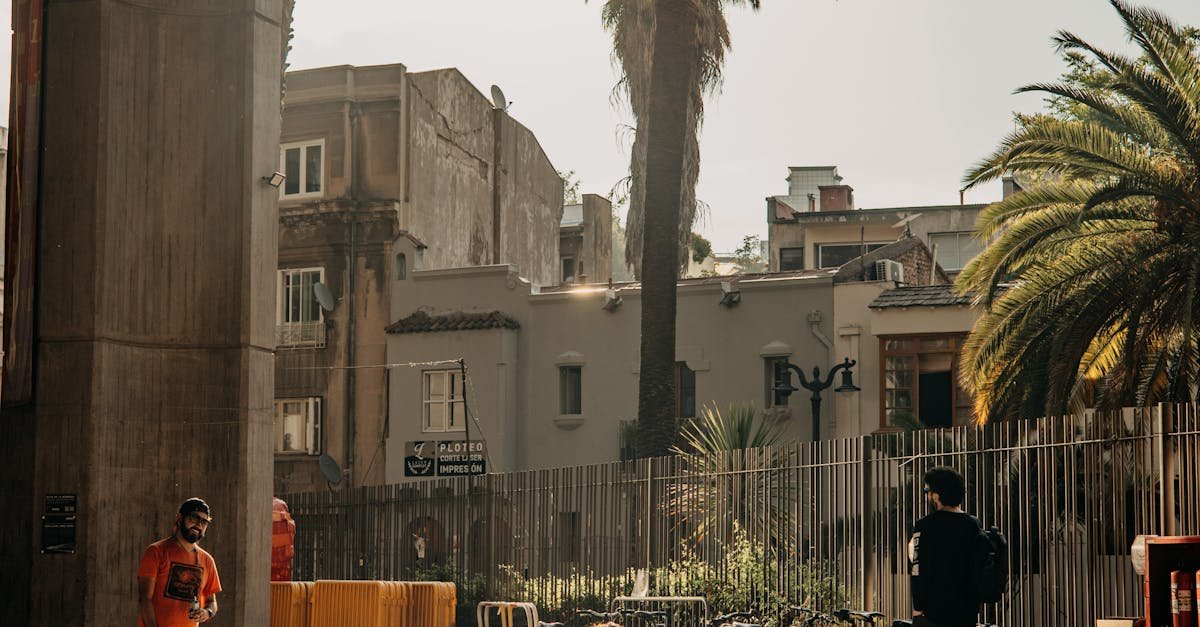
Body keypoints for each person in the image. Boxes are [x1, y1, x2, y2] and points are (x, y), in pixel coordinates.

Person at [907, 467, 982, 627]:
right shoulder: (973, 525)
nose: (927, 495)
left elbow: (919, 570)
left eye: (927, 490)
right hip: (966, 612)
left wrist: (918, 607)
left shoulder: (924, 526)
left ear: (936, 494)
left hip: (933, 613)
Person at [138, 498, 222, 627]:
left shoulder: (207, 560)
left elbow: (212, 602)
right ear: (179, 517)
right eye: (194, 518)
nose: (199, 525)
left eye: (204, 522)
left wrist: (207, 612)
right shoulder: (156, 551)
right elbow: (145, 599)